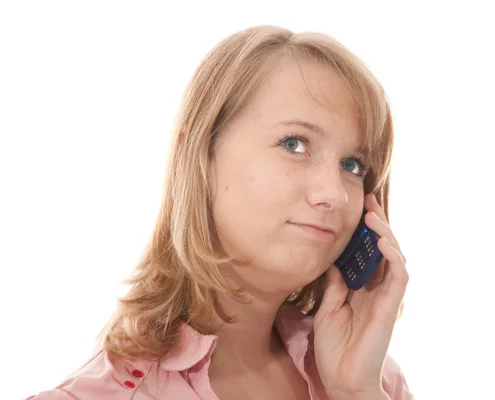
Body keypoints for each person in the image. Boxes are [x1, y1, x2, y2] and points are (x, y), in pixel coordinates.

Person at [26, 25, 413, 400]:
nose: (335, 195)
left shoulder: (374, 380)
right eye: (294, 144)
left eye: (353, 166)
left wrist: (354, 393)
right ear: (197, 155)